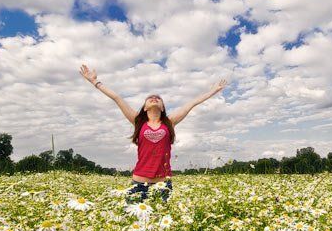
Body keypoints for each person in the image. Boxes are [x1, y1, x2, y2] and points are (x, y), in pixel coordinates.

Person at [79, 64, 227, 202]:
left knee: (162, 227)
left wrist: (213, 91)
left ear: (162, 108)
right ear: (144, 108)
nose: (154, 98)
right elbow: (117, 98)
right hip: (139, 183)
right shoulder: (138, 122)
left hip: (162, 185)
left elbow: (192, 103)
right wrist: (95, 82)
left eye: (158, 99)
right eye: (149, 98)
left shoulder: (170, 122)